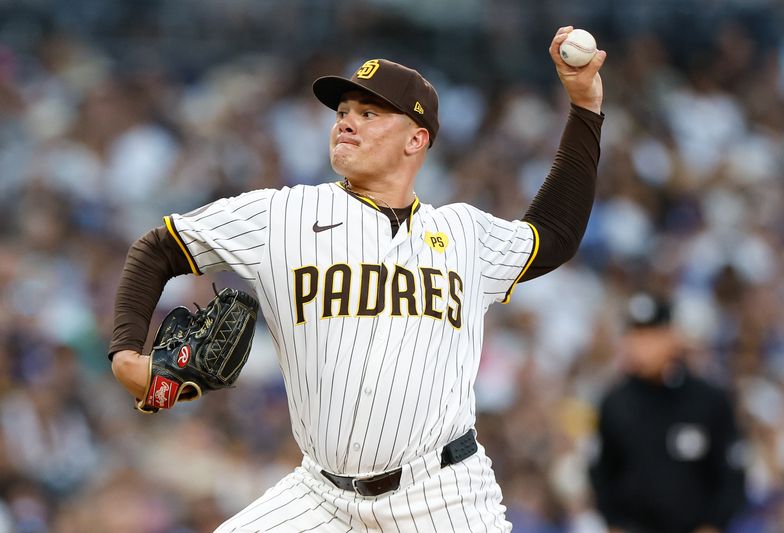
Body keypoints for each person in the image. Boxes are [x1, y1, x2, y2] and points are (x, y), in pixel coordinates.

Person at [109, 26, 606, 532]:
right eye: (343, 112)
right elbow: (157, 248)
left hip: (442, 495)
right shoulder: (283, 215)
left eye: (369, 114)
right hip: (321, 494)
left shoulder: (463, 232)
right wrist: (127, 353)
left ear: (417, 139)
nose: (347, 122)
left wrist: (585, 106)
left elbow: (554, 236)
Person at [589, 291, 747, 533]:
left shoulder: (708, 400)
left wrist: (714, 524)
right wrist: (613, 523)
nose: (640, 345)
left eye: (650, 335)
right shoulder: (615, 403)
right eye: (635, 335)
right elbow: (601, 472)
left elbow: (732, 472)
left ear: (672, 337)